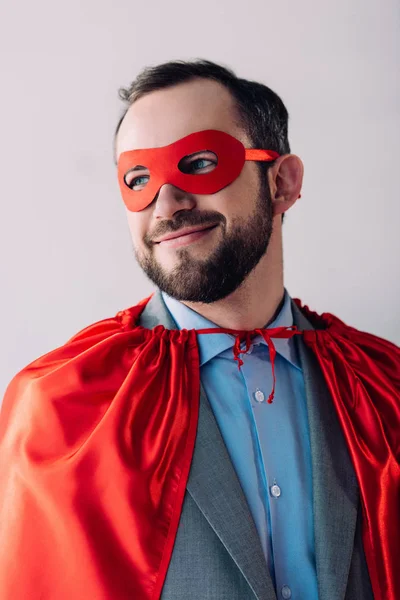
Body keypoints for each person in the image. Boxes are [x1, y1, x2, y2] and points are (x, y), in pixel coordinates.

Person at [0, 59, 398, 600]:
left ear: (282, 182)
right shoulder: (65, 409)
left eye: (201, 162)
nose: (166, 204)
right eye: (138, 179)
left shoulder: (383, 387)